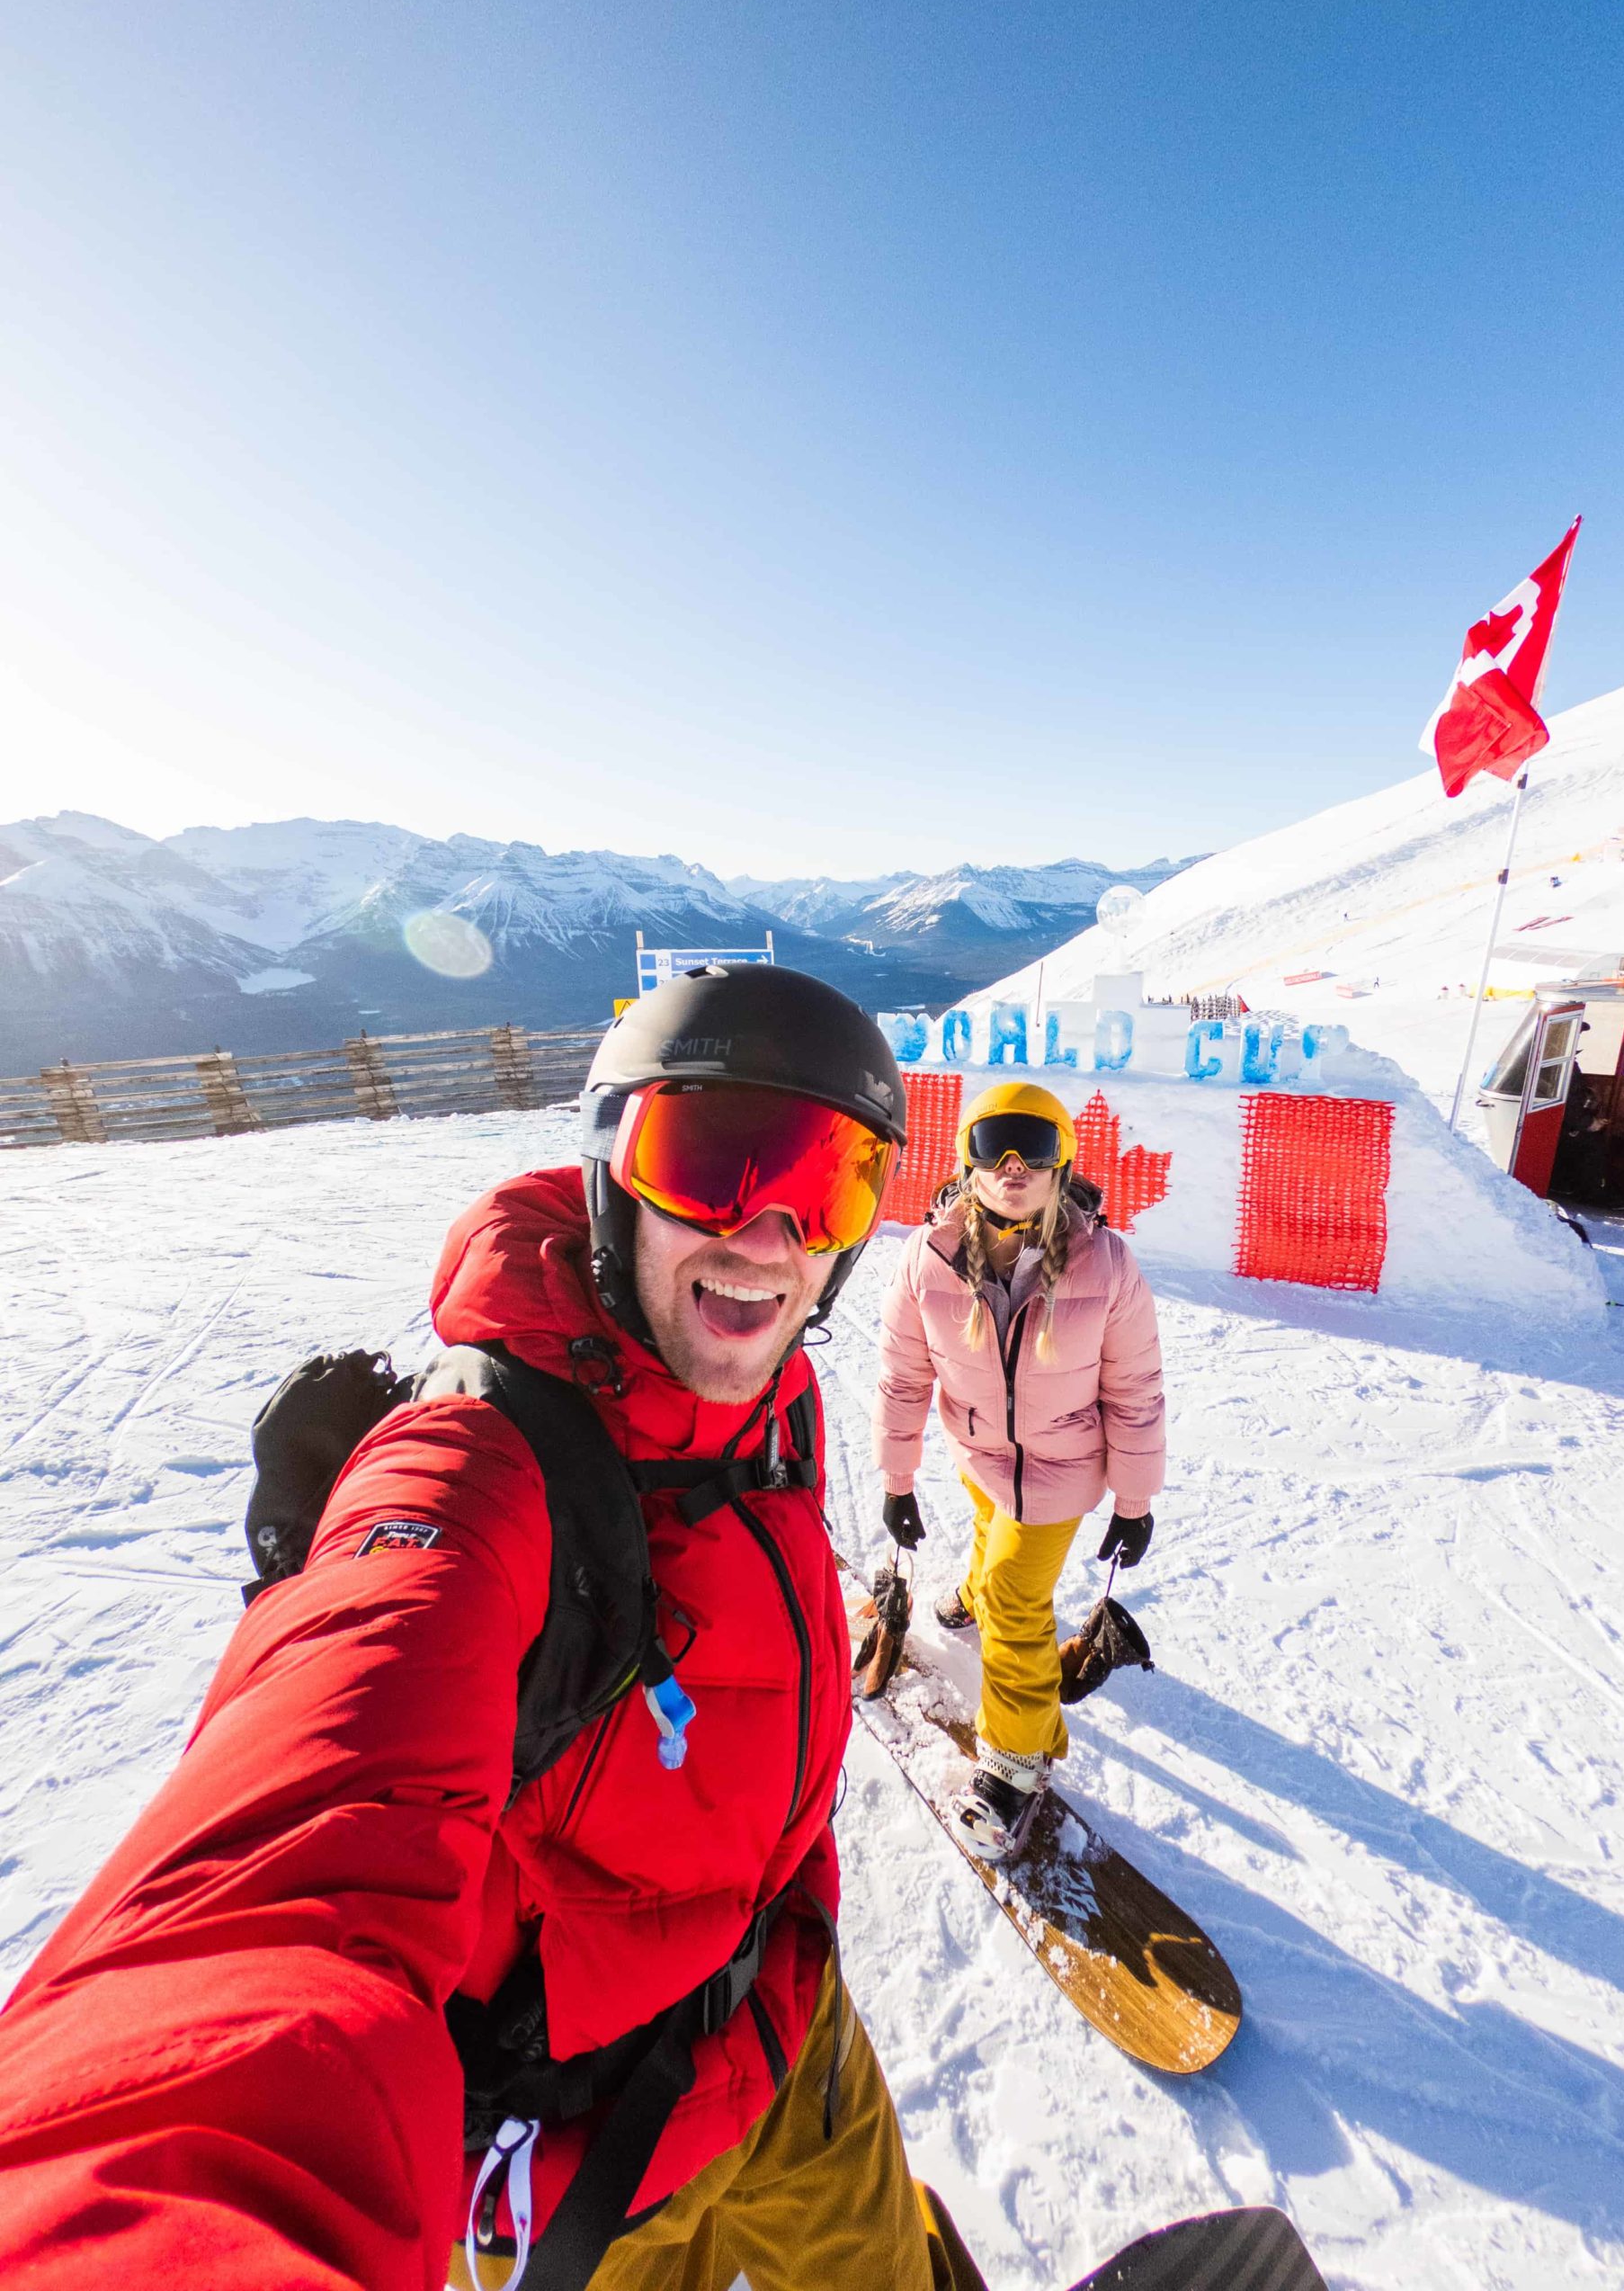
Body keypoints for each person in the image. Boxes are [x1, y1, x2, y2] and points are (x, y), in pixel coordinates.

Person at [0, 965, 984, 2291]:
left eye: (827, 1181)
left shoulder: (771, 1405)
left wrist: (795, 1937)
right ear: (610, 1170)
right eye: (707, 1163)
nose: (767, 1237)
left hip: (785, 2032)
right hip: (594, 2167)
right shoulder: (479, 1472)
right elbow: (269, 1896)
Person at [872, 1080, 1165, 1861]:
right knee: (983, 1531)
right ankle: (969, 1596)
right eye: (993, 1142)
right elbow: (903, 1379)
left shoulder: (1105, 1264)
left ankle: (1016, 1761)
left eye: (1033, 1147)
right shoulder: (926, 1259)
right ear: (966, 1157)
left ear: (1061, 1163)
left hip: (1063, 1466)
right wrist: (898, 1481)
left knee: (1013, 1594)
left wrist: (1133, 1500)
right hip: (981, 1453)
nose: (1012, 1163)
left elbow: (1135, 1389)